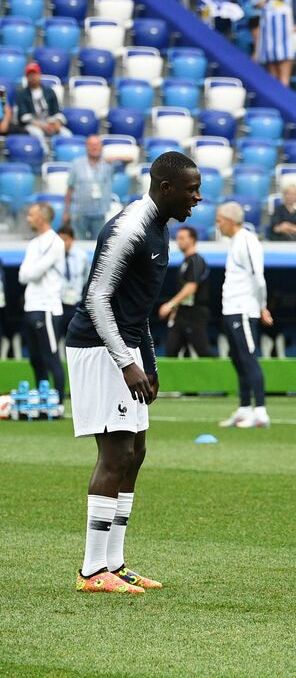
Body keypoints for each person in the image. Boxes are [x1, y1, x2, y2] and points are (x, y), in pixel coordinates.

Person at [66, 152, 202, 594]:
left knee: (136, 450)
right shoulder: (129, 229)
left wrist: (149, 362)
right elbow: (97, 299)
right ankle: (91, 571)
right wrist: (126, 362)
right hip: (97, 348)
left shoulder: (161, 228)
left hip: (124, 348)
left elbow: (137, 306)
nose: (197, 198)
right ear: (166, 189)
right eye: (191, 189)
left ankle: (115, 562)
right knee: (116, 452)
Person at [215, 202, 273, 429]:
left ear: (230, 221)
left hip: (243, 310)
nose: (218, 225)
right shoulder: (235, 243)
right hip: (230, 309)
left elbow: (258, 277)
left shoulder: (247, 241)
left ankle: (260, 412)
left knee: (249, 359)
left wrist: (262, 306)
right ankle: (244, 408)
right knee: (238, 359)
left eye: (219, 221)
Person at [19, 201, 65, 401]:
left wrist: (31, 271)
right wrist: (31, 271)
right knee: (35, 358)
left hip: (47, 308)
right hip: (31, 306)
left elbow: (35, 273)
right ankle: (42, 399)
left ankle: (59, 401)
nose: (28, 218)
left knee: (51, 357)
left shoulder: (55, 242)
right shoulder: (33, 243)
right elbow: (22, 276)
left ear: (42, 217)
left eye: (31, 215)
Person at [159, 226, 212, 357]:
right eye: (177, 238)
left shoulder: (196, 260)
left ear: (192, 239)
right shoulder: (185, 262)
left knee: (203, 351)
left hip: (194, 313)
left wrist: (169, 305)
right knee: (171, 350)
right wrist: (175, 310)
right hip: (181, 313)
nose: (179, 241)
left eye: (182, 238)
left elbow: (191, 287)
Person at [65, 134, 113, 240]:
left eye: (97, 145)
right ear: (86, 147)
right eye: (91, 145)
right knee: (78, 245)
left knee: (97, 246)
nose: (94, 147)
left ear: (101, 147)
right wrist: (66, 212)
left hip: (99, 213)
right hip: (79, 213)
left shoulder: (108, 165)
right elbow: (70, 189)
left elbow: (131, 159)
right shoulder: (76, 164)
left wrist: (111, 156)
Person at [16, 62, 67, 144]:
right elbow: (24, 117)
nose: (33, 77)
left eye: (35, 74)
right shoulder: (22, 94)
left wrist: (57, 123)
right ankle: (45, 154)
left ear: (39, 75)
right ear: (27, 77)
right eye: (30, 75)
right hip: (33, 125)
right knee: (38, 134)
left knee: (66, 134)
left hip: (50, 122)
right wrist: (42, 126)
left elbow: (57, 112)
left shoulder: (50, 92)